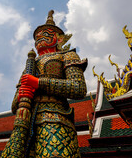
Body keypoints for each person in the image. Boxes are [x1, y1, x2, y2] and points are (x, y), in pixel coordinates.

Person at [12, 10, 87, 157]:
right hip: (25, 122)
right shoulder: (30, 66)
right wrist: (21, 96)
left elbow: (78, 88)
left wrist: (39, 82)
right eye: (37, 36)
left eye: (45, 34)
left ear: (59, 39)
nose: (39, 37)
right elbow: (14, 106)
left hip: (56, 119)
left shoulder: (67, 55)